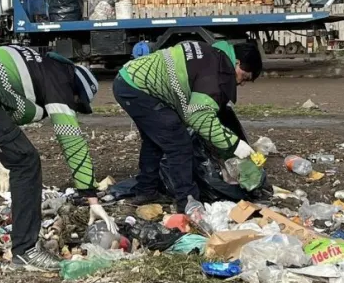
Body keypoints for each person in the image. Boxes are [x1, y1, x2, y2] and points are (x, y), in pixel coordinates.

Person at [0, 45, 116, 271]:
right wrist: (91, 196)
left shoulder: (41, 64)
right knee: (26, 160)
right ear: (75, 91)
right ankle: (26, 251)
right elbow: (71, 140)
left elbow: (0, 114)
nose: (72, 106)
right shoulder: (60, 80)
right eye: (76, 103)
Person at [113, 39, 263, 212]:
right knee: (179, 143)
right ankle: (188, 202)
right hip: (137, 88)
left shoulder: (212, 56)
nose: (241, 83)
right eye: (244, 77)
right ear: (237, 62)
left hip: (129, 80)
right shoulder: (213, 74)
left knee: (156, 139)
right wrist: (235, 145)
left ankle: (146, 190)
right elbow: (199, 118)